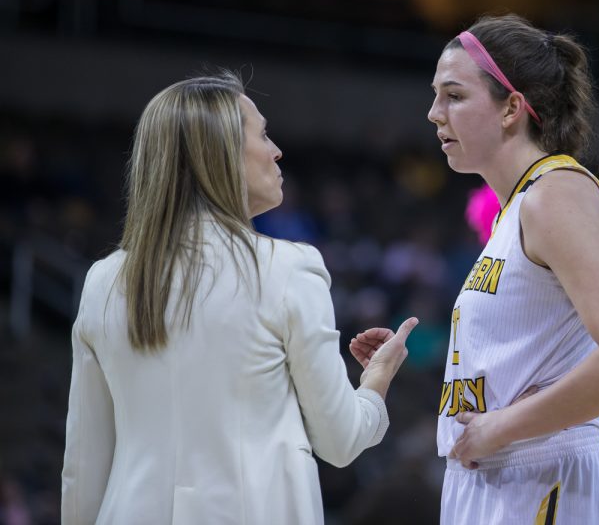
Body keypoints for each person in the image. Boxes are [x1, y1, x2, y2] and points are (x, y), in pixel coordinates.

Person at [60, 72, 417, 525]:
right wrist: (377, 381)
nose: (276, 150)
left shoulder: (102, 281)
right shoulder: (289, 269)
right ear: (221, 154)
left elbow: (83, 466)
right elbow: (341, 440)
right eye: (263, 134)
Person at [351, 14, 599, 523]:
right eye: (435, 96)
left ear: (511, 108)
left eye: (453, 96)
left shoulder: (553, 195)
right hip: (504, 477)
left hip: (547, 476)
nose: (433, 113)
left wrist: (502, 427)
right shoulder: (517, 209)